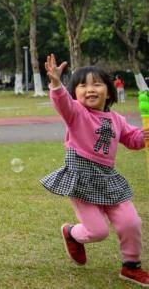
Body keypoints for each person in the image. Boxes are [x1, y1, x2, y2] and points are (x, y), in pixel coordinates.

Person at [40, 54, 149, 286]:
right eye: (83, 85)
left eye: (97, 84)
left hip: (108, 179)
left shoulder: (116, 119)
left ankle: (131, 266)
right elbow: (62, 102)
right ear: (75, 94)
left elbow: (132, 139)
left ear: (109, 92)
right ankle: (71, 233)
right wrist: (57, 84)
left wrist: (143, 136)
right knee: (98, 231)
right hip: (81, 179)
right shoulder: (76, 113)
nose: (90, 89)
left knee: (131, 222)